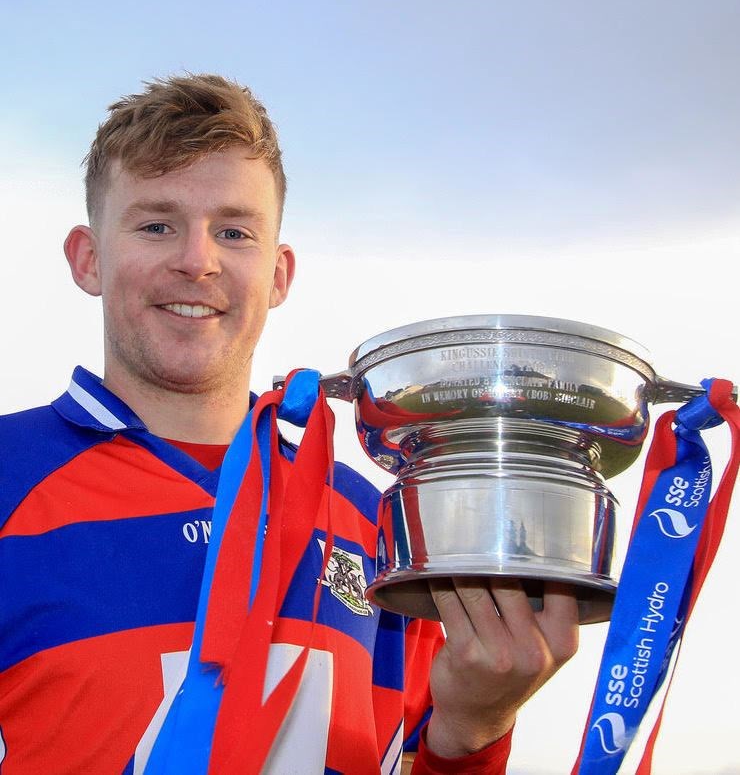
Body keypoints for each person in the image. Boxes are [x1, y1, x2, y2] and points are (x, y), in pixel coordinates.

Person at [0, 74, 579, 774]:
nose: (197, 260)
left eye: (234, 231)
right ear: (89, 259)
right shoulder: (11, 479)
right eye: (157, 225)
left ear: (278, 275)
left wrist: (473, 729)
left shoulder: (377, 523)